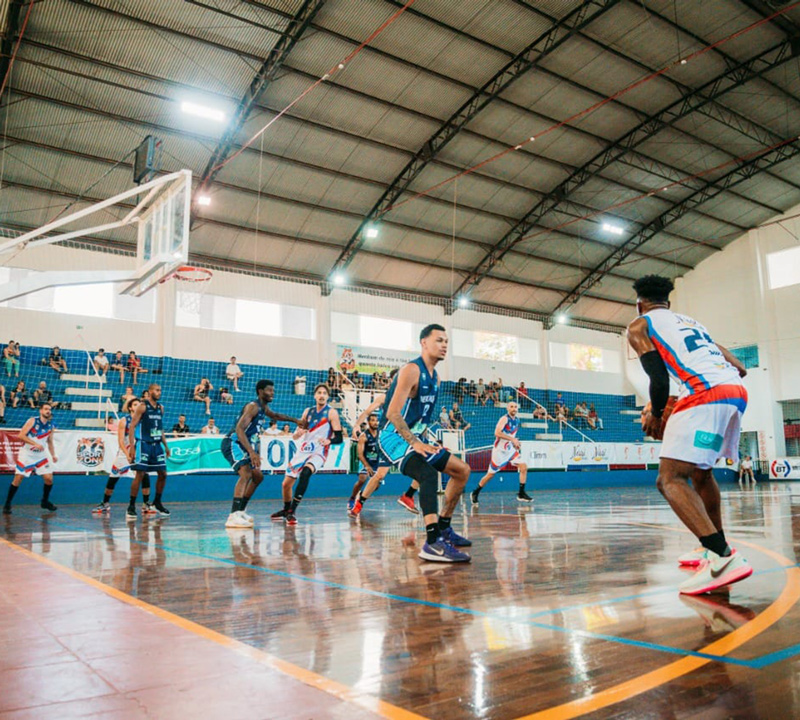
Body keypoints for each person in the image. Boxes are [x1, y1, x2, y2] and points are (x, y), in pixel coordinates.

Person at [628, 274, 751, 595]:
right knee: (700, 472)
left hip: (705, 398)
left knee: (669, 479)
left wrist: (655, 414)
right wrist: (736, 364)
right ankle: (713, 549)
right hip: (734, 398)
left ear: (639, 303)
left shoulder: (639, 325)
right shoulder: (692, 323)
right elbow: (737, 364)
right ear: (668, 302)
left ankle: (723, 557)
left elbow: (657, 377)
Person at [377, 324, 473, 562]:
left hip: (415, 436)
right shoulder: (411, 370)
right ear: (423, 343)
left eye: (447, 342)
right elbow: (392, 413)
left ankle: (444, 528)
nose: (444, 345)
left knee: (461, 471)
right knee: (428, 474)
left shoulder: (436, 378)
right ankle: (432, 543)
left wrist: (429, 442)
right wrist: (415, 443)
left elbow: (421, 418)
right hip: (392, 436)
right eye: (439, 340)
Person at [224, 380, 304, 528]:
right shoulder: (253, 407)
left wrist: (295, 420)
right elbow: (239, 429)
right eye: (269, 390)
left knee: (258, 476)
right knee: (246, 474)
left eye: (273, 390)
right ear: (260, 391)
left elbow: (276, 415)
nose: (272, 393)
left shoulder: (263, 407)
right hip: (234, 443)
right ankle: (233, 515)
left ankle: (241, 510)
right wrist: (252, 451)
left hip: (245, 445)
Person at [271, 384, 342, 526]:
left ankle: (292, 511)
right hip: (304, 450)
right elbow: (297, 435)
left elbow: (339, 438)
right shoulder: (307, 412)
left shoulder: (331, 413)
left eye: (324, 393)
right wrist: (297, 434)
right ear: (315, 395)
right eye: (319, 393)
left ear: (328, 397)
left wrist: (329, 440)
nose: (321, 395)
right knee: (286, 484)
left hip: (319, 451)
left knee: (305, 473)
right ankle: (286, 510)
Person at [350, 380, 421, 514]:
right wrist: (357, 424)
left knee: (424, 463)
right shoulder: (385, 397)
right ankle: (360, 502)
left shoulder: (411, 400)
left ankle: (409, 496)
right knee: (380, 475)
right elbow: (367, 412)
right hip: (387, 440)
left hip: (403, 439)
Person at [92, 398, 154, 514]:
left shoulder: (144, 421)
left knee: (144, 476)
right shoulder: (124, 421)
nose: (137, 406)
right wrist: (127, 454)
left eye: (139, 404)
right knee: (113, 478)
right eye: (135, 404)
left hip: (139, 452)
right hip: (124, 453)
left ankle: (146, 504)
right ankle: (105, 503)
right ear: (130, 407)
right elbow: (120, 441)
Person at [470, 401, 531, 505]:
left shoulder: (517, 420)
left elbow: (511, 435)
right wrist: (512, 440)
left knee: (524, 466)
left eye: (515, 407)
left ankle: (521, 493)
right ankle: (475, 492)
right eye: (511, 407)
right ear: (507, 408)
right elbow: (497, 433)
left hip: (509, 450)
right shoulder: (504, 419)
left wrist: (515, 442)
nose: (514, 408)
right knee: (490, 475)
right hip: (499, 451)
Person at [3, 403, 58, 514]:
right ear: (40, 411)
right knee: (18, 478)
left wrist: (53, 455)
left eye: (50, 409)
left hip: (40, 455)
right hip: (27, 454)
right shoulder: (32, 421)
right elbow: (21, 435)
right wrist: (35, 443)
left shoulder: (51, 425)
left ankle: (45, 501)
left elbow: (50, 441)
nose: (48, 411)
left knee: (49, 478)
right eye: (46, 409)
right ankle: (7, 504)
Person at [128, 383, 170, 518]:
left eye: (160, 390)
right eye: (157, 390)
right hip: (144, 444)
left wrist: (166, 446)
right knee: (140, 475)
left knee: (163, 474)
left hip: (157, 445)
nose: (159, 393)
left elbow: (160, 429)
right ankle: (131, 505)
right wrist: (132, 446)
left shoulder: (160, 408)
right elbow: (132, 426)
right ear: (150, 391)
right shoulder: (142, 406)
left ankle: (157, 502)